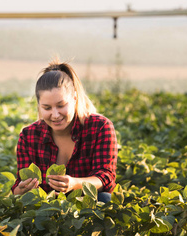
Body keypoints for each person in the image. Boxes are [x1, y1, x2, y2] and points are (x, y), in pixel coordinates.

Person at [12, 59, 118, 203]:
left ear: (74, 98)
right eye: (47, 108)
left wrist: (74, 184)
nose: (55, 115)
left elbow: (106, 177)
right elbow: (18, 188)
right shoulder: (29, 136)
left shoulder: (99, 126)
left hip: (85, 206)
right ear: (39, 106)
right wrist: (22, 189)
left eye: (61, 105)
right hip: (46, 209)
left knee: (105, 198)